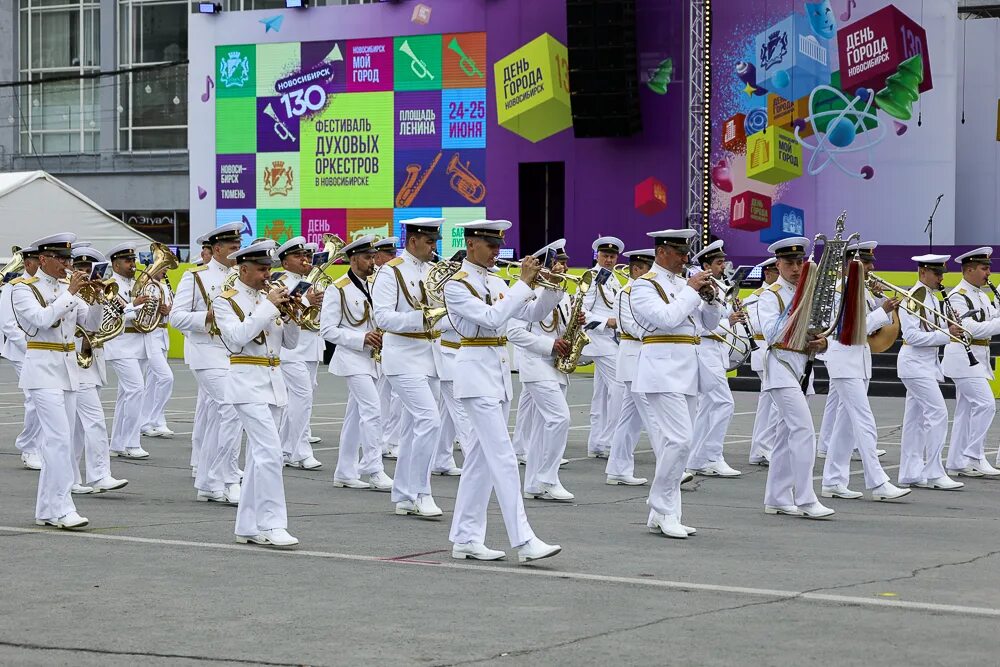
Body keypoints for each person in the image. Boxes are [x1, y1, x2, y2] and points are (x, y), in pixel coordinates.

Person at [444, 219, 563, 563]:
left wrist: (550, 290)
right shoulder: (457, 284)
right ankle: (523, 540)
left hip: (495, 373)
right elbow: (493, 318)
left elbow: (525, 316)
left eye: (499, 245)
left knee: (480, 461)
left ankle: (466, 537)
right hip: (475, 371)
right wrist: (523, 283)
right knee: (504, 458)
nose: (498, 251)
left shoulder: (496, 279)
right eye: (491, 245)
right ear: (471, 245)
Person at [630, 229, 721, 539]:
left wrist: (710, 301)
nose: (686, 258)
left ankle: (663, 514)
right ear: (661, 253)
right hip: (661, 368)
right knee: (679, 440)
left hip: (687, 367)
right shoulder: (643, 286)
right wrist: (693, 291)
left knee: (679, 443)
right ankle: (662, 503)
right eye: (679, 252)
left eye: (686, 252)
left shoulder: (685, 285)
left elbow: (708, 326)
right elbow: (666, 319)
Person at [13, 233, 104, 529]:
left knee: (61, 439)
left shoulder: (67, 288)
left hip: (68, 369)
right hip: (41, 370)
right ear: (43, 259)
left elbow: (89, 324)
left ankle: (47, 509)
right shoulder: (22, 289)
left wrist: (99, 300)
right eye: (62, 259)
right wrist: (71, 293)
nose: (68, 264)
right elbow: (40, 321)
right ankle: (63, 506)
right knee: (58, 440)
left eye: (69, 259)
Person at [215, 239, 301, 547]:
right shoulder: (225, 300)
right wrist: (269, 306)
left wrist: (291, 315)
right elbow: (237, 339)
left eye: (269, 269)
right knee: (270, 453)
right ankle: (271, 524)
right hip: (246, 382)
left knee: (259, 458)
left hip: (273, 382)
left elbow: (289, 344)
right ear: (243, 268)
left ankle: (247, 525)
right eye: (262, 270)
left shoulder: (270, 299)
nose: (268, 276)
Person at [819, 241, 910, 502]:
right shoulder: (840, 292)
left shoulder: (860, 290)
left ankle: (834, 481)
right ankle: (878, 482)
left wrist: (882, 301)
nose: (871, 268)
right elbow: (853, 327)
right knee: (864, 421)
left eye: (870, 263)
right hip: (844, 359)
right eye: (865, 263)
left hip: (857, 360)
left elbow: (871, 321)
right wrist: (882, 312)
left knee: (845, 425)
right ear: (849, 263)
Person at [755, 237, 834, 519]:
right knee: (803, 430)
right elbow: (772, 334)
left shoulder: (809, 291)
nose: (796, 268)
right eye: (789, 263)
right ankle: (805, 498)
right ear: (778, 264)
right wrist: (798, 305)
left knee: (784, 435)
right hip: (780, 367)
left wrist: (823, 343)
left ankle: (777, 497)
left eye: (800, 262)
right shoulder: (770, 295)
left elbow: (824, 331)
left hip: (802, 367)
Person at [372, 218, 445, 518]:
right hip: (402, 358)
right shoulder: (391, 272)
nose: (433, 247)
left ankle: (403, 494)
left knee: (414, 426)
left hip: (431, 356)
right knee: (430, 421)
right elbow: (383, 318)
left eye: (435, 241)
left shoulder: (433, 271)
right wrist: (422, 319)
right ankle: (421, 491)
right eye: (429, 241)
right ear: (413, 241)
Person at [169, 222, 244, 505]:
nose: (237, 252)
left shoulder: (240, 277)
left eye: (238, 247)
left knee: (217, 417)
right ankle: (227, 478)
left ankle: (208, 482)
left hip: (234, 351)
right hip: (207, 351)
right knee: (231, 407)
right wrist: (207, 317)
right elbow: (176, 318)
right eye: (232, 248)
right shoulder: (196, 276)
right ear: (216, 249)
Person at [320, 235, 393, 491]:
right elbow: (327, 330)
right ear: (353, 259)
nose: (372, 261)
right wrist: (360, 338)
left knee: (354, 418)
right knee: (373, 410)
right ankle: (373, 468)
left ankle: (344, 471)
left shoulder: (375, 284)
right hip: (352, 357)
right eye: (367, 257)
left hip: (373, 359)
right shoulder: (337, 288)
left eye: (373, 256)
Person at [508, 239, 576, 501]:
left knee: (540, 427)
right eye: (559, 263)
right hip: (536, 364)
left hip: (556, 366)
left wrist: (575, 325)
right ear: (544, 265)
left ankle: (534, 484)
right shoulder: (523, 292)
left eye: (565, 263)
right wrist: (550, 345)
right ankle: (548, 478)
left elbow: (562, 328)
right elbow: (513, 332)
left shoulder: (563, 293)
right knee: (560, 419)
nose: (564, 267)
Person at [896, 254, 964, 490]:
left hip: (925, 364)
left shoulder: (932, 298)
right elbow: (912, 336)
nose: (941, 278)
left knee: (915, 421)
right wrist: (948, 334)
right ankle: (934, 472)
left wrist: (953, 326)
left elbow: (933, 328)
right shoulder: (914, 299)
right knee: (938, 413)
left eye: (942, 274)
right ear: (923, 273)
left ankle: (910, 473)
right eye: (937, 274)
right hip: (914, 364)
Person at [69, 246, 129, 495]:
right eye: (81, 268)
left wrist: (99, 299)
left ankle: (71, 478)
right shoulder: (65, 292)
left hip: (92, 362)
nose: (85, 273)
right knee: (94, 422)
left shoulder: (97, 293)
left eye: (90, 269)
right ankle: (100, 474)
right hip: (73, 361)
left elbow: (102, 326)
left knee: (77, 428)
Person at [686, 240, 742, 478]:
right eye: (718, 262)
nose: (723, 266)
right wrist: (727, 323)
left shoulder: (720, 286)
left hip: (717, 351)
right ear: (706, 265)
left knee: (709, 407)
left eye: (723, 262)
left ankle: (696, 459)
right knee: (724, 403)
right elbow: (699, 325)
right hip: (705, 348)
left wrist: (735, 315)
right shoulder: (702, 288)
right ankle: (713, 456)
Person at [944, 248, 1000, 478]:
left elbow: (992, 318)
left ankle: (957, 462)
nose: (989, 272)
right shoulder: (958, 295)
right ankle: (975, 456)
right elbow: (969, 329)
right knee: (986, 404)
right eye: (984, 268)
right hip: (963, 357)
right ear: (969, 270)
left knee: (965, 412)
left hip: (978, 357)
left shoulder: (982, 294)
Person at [605, 248, 655, 486]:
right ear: (636, 269)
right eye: (648, 268)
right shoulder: (627, 292)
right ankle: (671, 463)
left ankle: (618, 469)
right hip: (633, 354)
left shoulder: (650, 291)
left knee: (630, 419)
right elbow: (628, 325)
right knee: (652, 413)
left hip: (643, 355)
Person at [273, 236, 325, 470]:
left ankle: (285, 450)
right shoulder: (279, 282)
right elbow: (281, 310)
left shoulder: (308, 280)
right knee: (301, 398)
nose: (304, 259)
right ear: (285, 262)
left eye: (305, 255)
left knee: (301, 400)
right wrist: (307, 300)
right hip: (289, 350)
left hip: (310, 346)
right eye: (297, 256)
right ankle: (301, 451)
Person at [104, 242, 156, 459]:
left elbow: (147, 313)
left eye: (133, 260)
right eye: (127, 261)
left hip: (140, 343)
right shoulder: (110, 286)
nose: (132, 264)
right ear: (115, 264)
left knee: (126, 395)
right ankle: (132, 442)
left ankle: (117, 444)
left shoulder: (137, 284)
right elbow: (112, 315)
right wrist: (136, 304)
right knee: (136, 390)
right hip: (120, 343)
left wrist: (155, 308)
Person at [582, 235, 625, 458]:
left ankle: (597, 443)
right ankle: (609, 442)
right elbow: (581, 311)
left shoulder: (614, 279)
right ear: (596, 256)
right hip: (600, 341)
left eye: (612, 256)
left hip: (612, 339)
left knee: (601, 394)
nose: (609, 260)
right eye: (605, 256)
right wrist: (605, 321)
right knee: (620, 387)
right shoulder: (591, 278)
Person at [1, 244, 43, 470]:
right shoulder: (12, 287)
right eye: (38, 260)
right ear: (28, 263)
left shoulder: (46, 285)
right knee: (34, 400)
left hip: (46, 351)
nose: (41, 264)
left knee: (47, 400)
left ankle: (41, 445)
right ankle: (29, 448)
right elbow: (8, 325)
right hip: (22, 351)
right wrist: (34, 347)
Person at [372, 236, 403, 459]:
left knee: (397, 397)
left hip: (390, 341)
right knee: (381, 396)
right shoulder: (377, 278)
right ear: (378, 256)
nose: (393, 258)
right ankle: (382, 440)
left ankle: (391, 439)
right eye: (388, 254)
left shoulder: (394, 276)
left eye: (394, 254)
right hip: (378, 341)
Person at [746, 258, 778, 466]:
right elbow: (758, 325)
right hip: (765, 350)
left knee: (767, 405)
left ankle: (759, 450)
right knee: (776, 402)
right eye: (777, 270)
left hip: (772, 352)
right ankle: (766, 447)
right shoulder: (757, 298)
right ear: (768, 273)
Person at [138, 262, 175, 439]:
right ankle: (152, 419)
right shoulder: (148, 286)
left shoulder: (165, 286)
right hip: (151, 334)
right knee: (166, 377)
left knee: (153, 383)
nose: (165, 271)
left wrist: (167, 311)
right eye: (163, 268)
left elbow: (173, 310)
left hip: (162, 334)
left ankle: (153, 421)